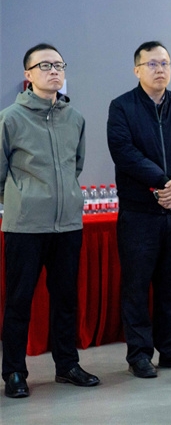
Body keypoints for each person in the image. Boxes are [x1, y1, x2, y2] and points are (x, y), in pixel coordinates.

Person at [1, 44, 100, 398]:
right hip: (25, 226)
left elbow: (76, 165)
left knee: (66, 299)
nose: (54, 70)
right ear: (28, 75)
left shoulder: (75, 119)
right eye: (44, 65)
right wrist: (23, 199)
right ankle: (14, 372)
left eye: (59, 65)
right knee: (19, 301)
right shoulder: (10, 118)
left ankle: (67, 365)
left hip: (68, 225)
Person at [107, 41, 171, 379]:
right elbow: (124, 152)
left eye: (164, 63)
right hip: (139, 212)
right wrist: (164, 183)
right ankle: (139, 353)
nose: (160, 69)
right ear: (137, 70)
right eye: (152, 64)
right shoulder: (122, 107)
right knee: (136, 286)